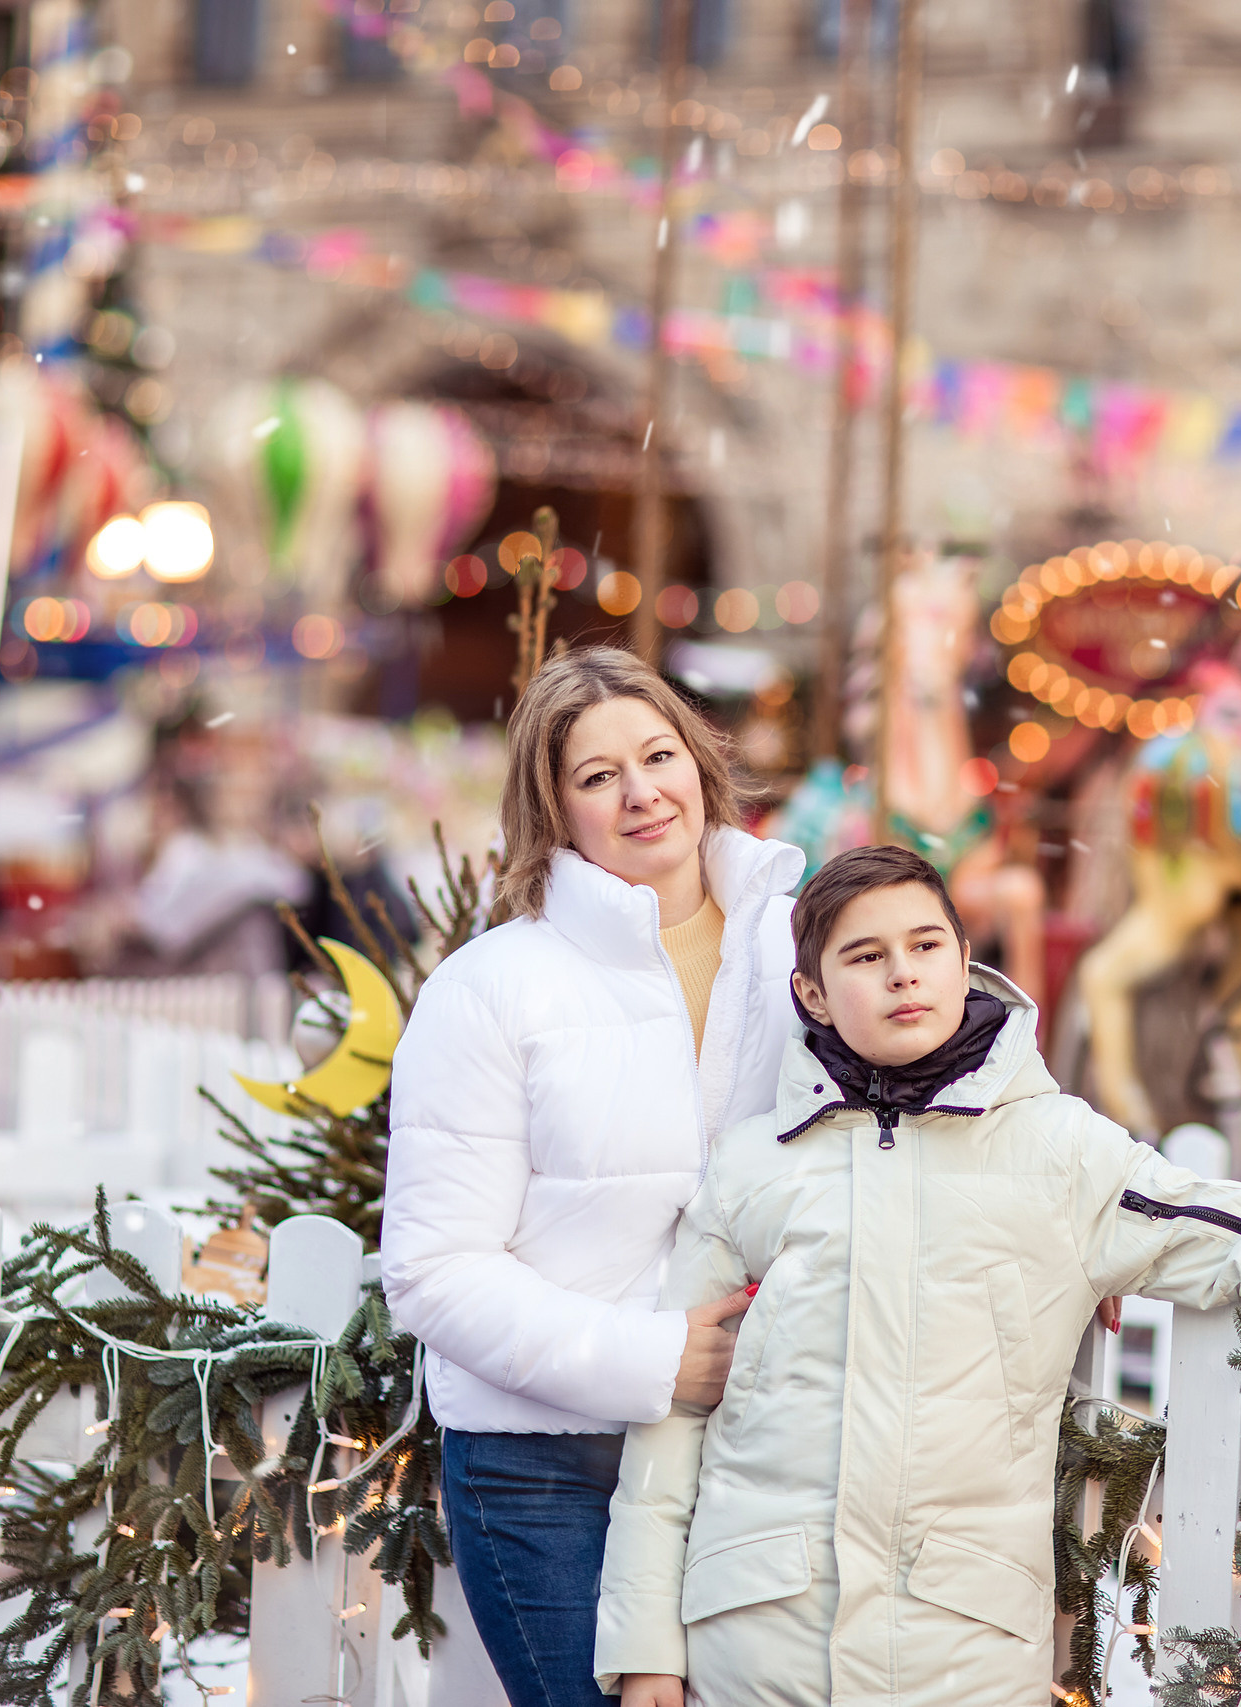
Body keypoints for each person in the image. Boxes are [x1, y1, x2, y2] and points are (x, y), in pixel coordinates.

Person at [595, 844, 1241, 1707]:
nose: (903, 975)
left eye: (926, 946)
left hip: (959, 1639)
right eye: (864, 956)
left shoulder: (1056, 1152)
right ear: (811, 992)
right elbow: (675, 1416)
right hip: (757, 1635)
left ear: (961, 959)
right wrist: (646, 1646)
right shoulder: (754, 1166)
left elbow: (1239, 1229)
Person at [382, 647, 805, 1707]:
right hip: (546, 1467)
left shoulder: (799, 950)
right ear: (553, 811)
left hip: (754, 1452)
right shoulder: (490, 990)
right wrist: (653, 1358)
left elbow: (951, 1058)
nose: (641, 792)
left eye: (658, 755)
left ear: (701, 763)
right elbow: (434, 1271)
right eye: (596, 775)